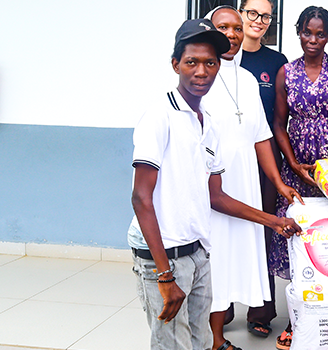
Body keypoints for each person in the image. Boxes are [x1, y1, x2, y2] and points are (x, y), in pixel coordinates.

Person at [128, 19, 301, 350]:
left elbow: (217, 197)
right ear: (175, 64)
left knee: (202, 339)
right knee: (172, 343)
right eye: (191, 62)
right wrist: (164, 275)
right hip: (162, 255)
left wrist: (274, 221)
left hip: (197, 251)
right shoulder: (159, 116)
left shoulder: (207, 122)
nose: (201, 71)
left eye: (210, 62)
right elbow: (140, 199)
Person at [203, 6, 303, 350]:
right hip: (213, 183)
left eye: (235, 28)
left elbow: (261, 136)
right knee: (215, 255)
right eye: (223, 27)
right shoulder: (200, 76)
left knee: (239, 252)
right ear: (210, 31)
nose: (231, 34)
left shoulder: (245, 78)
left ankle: (230, 324)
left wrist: (277, 183)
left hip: (245, 180)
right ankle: (215, 337)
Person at [269, 5, 328, 349]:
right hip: (299, 168)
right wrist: (293, 164)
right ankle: (298, 321)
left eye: (320, 33)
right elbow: (279, 124)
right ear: (298, 32)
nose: (313, 39)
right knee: (300, 238)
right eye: (307, 32)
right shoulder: (286, 72)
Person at [233, 0, 289, 339]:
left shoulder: (276, 61)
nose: (257, 21)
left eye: (265, 16)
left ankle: (261, 310)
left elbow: (280, 117)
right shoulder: (222, 58)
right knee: (223, 228)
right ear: (240, 14)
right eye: (252, 13)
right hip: (226, 161)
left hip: (266, 161)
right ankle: (220, 306)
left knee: (263, 229)